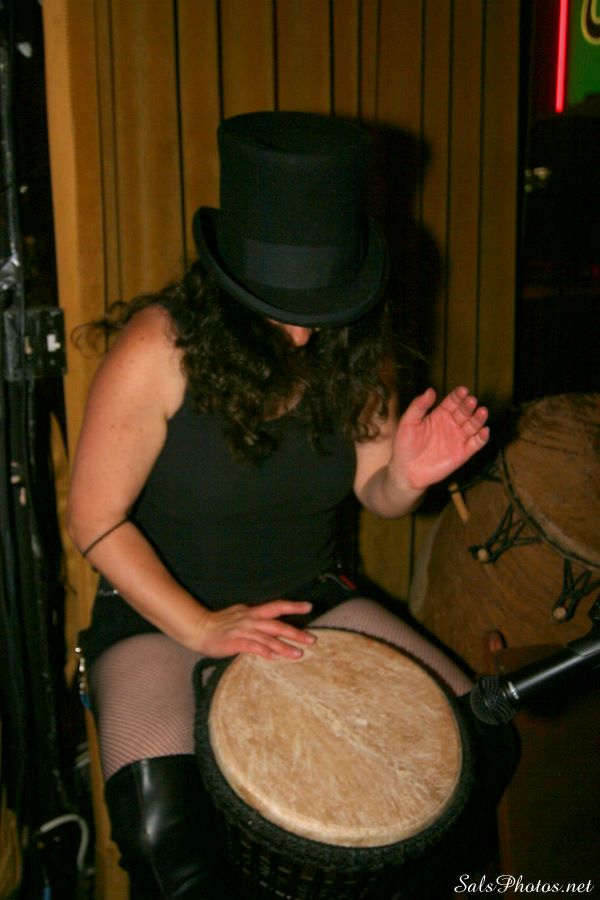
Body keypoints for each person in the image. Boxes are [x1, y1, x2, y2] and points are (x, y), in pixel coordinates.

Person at [68, 111, 490, 899]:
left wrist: (408, 475)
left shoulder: (355, 347)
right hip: (164, 611)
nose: (302, 333)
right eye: (277, 304)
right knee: (163, 838)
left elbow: (377, 493)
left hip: (309, 597)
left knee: (480, 746)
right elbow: (95, 520)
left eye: (322, 303)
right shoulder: (159, 347)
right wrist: (201, 626)